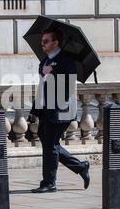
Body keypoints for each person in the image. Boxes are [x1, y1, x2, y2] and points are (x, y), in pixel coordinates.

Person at [29, 27, 90, 193]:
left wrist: (52, 73)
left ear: (56, 42)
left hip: (61, 110)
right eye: (42, 41)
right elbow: (42, 88)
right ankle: (80, 167)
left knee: (50, 145)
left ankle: (49, 182)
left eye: (46, 41)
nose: (42, 44)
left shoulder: (66, 61)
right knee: (50, 144)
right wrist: (34, 111)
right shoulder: (44, 62)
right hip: (47, 109)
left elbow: (67, 86)